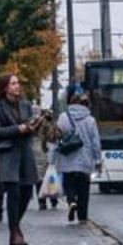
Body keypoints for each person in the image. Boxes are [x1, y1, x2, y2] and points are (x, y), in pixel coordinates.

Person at [0, 73, 39, 245]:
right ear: (5, 88)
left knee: (27, 191)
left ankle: (15, 224)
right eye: (13, 83)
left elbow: (31, 124)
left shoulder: (26, 105)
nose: (17, 86)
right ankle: (14, 232)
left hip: (25, 152)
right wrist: (17, 129)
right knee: (14, 192)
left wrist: (35, 125)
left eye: (18, 83)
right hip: (8, 154)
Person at [52, 92, 101, 223]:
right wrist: (97, 160)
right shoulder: (90, 120)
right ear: (86, 104)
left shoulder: (63, 117)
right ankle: (82, 217)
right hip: (85, 159)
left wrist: (52, 158)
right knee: (83, 188)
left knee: (68, 183)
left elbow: (56, 138)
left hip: (67, 157)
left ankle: (71, 201)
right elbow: (95, 142)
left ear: (72, 102)